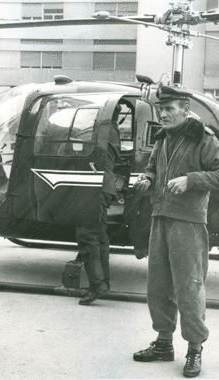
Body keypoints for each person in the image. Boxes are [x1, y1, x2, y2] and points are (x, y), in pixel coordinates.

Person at [132, 86, 219, 378]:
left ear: (185, 110)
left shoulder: (203, 138)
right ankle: (164, 343)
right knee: (159, 285)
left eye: (169, 109)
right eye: (161, 109)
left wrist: (190, 180)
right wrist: (147, 179)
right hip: (160, 217)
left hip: (188, 222)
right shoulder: (163, 138)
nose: (163, 114)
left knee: (189, 287)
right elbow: (153, 169)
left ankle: (194, 348)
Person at [76, 104, 122, 305]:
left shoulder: (103, 131)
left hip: (96, 186)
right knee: (100, 236)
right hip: (105, 186)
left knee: (87, 235)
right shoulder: (113, 131)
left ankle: (97, 286)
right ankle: (103, 284)